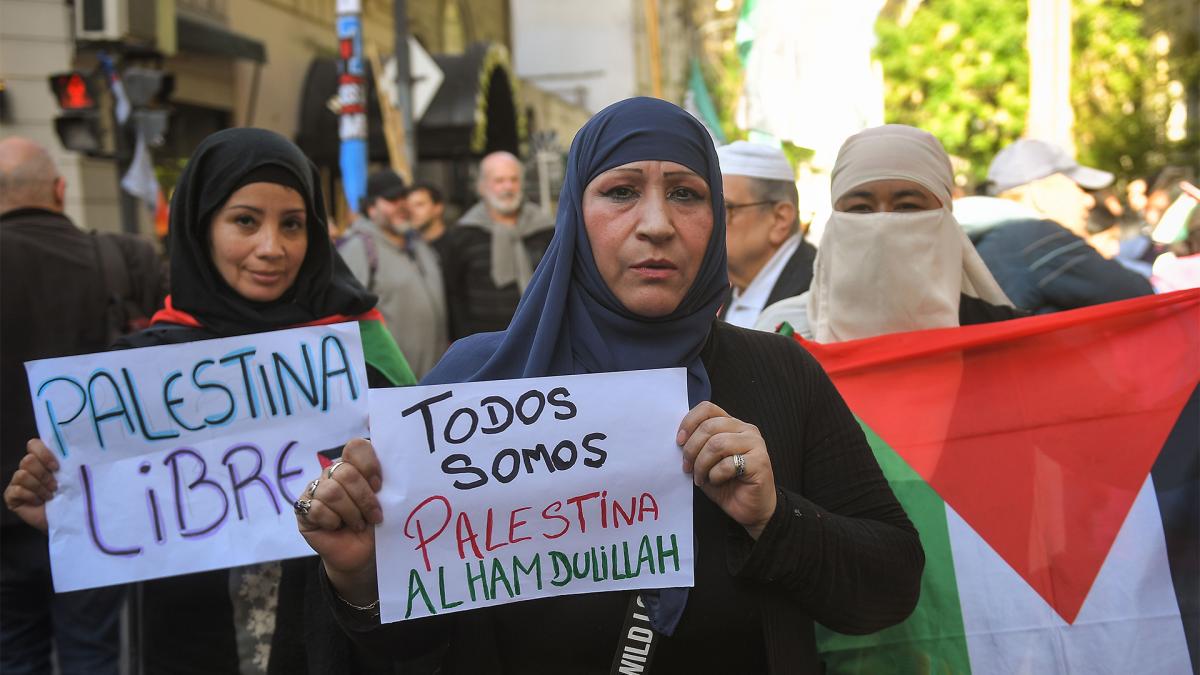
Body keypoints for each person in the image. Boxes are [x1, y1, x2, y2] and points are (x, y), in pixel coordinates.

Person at [294, 97, 924, 673]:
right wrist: (362, 580)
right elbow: (413, 649)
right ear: (574, 214)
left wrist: (774, 518)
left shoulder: (780, 375)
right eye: (621, 192)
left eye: (686, 194)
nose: (657, 224)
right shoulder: (470, 387)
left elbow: (889, 586)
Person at [4, 128, 416, 674]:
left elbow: (410, 508)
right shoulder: (141, 371)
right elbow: (131, 523)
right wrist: (69, 519)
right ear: (200, 228)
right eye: (245, 221)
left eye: (292, 224)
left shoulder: (355, 355)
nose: (272, 248)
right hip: (191, 645)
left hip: (333, 645)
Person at [0, 136, 166, 675]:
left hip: (5, 511)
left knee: (13, 653)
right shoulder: (121, 258)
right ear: (60, 189)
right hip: (94, 505)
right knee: (92, 654)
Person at [755, 125, 1020, 340]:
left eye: (907, 206)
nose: (882, 224)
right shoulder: (781, 331)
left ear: (945, 218)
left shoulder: (1000, 339)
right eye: (861, 208)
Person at [953, 138, 1152, 314]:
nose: (1089, 201)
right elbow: (1142, 298)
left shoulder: (978, 238)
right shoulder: (1037, 237)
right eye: (1079, 188)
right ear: (1040, 192)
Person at [340, 170, 447, 378]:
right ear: (371, 208)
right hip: (393, 387)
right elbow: (346, 321)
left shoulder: (420, 244)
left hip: (435, 383)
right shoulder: (359, 248)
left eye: (404, 197)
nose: (402, 205)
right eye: (391, 199)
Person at [442, 151, 555, 339]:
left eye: (514, 179)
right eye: (499, 181)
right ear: (482, 186)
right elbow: (454, 295)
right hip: (484, 341)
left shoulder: (545, 230)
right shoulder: (464, 235)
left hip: (541, 335)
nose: (508, 187)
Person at [714, 141, 817, 329]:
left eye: (724, 209)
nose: (708, 223)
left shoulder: (817, 292)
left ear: (780, 219)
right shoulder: (726, 288)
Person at [406, 181, 451, 259]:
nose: (411, 211)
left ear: (438, 208)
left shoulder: (456, 247)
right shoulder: (408, 249)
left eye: (419, 205)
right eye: (409, 206)